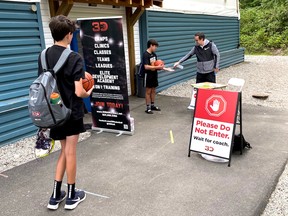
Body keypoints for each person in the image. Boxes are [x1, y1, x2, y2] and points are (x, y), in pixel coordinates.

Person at [39, 15, 93, 210]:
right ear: (69, 35)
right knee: (70, 152)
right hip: (70, 111)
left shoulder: (43, 55)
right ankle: (71, 196)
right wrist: (90, 90)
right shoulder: (73, 57)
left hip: (53, 112)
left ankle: (55, 196)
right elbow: (80, 91)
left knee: (64, 150)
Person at [142, 39, 164, 114]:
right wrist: (156, 67)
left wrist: (160, 67)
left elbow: (155, 65)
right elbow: (146, 67)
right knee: (148, 91)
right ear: (151, 45)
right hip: (148, 75)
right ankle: (148, 108)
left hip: (154, 75)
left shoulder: (154, 54)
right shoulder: (145, 54)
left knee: (154, 90)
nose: (156, 48)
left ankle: (152, 105)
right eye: (155, 46)